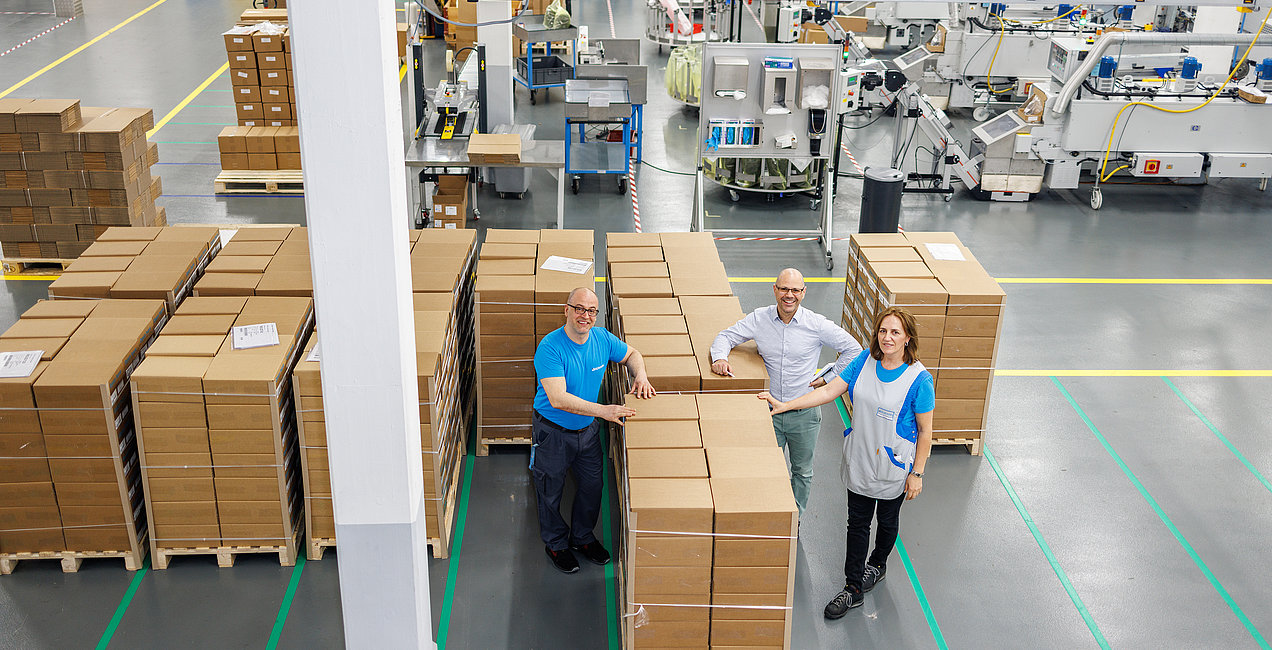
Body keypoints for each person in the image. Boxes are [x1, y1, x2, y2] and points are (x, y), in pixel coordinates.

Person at [758, 306, 933, 619]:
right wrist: (787, 404)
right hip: (860, 459)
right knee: (857, 524)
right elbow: (828, 391)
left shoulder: (919, 380)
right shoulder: (864, 360)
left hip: (894, 467)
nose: (887, 337)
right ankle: (852, 589)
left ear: (908, 338)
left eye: (895, 332)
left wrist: (917, 473)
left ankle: (877, 564)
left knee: (888, 521)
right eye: (883, 331)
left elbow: (925, 430)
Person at [709, 268, 863, 514]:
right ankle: (767, 514)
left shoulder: (816, 324)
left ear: (803, 293)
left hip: (804, 413)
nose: (788, 295)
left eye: (795, 290)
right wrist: (719, 358)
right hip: (768, 411)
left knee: (802, 471)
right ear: (774, 290)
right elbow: (726, 336)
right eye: (783, 289)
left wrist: (830, 376)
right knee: (765, 468)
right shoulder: (760, 319)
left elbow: (854, 350)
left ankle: (795, 518)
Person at [532, 286, 656, 574]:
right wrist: (605, 411)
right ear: (567, 310)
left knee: (592, 487)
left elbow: (633, 354)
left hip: (586, 432)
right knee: (550, 490)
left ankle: (583, 537)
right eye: (578, 308)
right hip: (553, 433)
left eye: (590, 311)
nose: (584, 316)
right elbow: (558, 398)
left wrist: (641, 374)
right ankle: (556, 544)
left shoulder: (601, 339)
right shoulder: (550, 347)